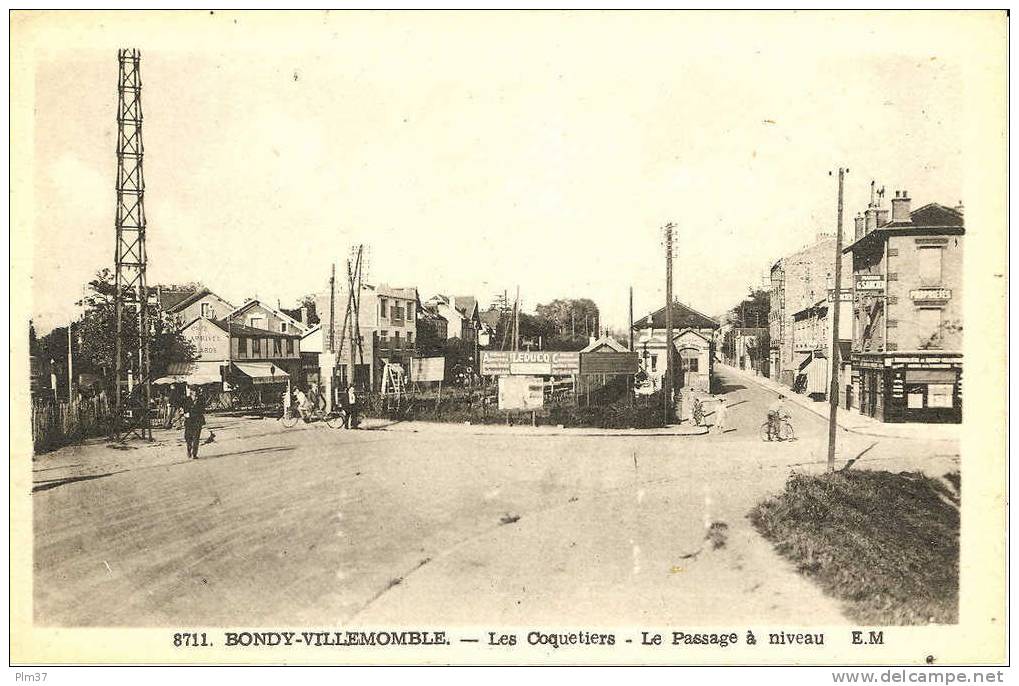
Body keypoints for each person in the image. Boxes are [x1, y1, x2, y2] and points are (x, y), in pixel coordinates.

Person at [182, 387, 206, 459]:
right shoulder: (187, 399)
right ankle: (189, 450)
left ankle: (194, 454)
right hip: (189, 421)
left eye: (196, 391)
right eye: (193, 391)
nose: (195, 392)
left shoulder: (201, 399)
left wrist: (191, 413)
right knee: (188, 437)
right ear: (191, 392)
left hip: (198, 420)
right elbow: (184, 408)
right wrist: (185, 413)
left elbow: (202, 410)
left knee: (196, 437)